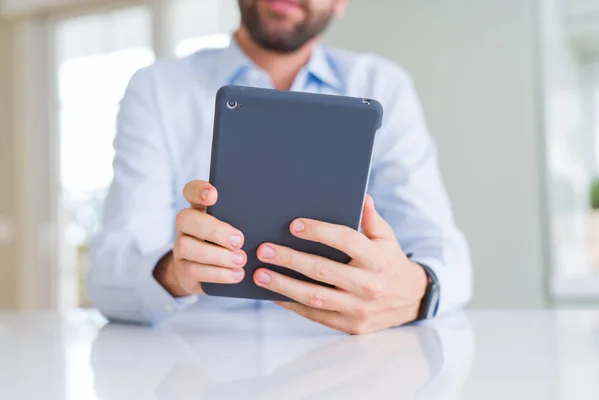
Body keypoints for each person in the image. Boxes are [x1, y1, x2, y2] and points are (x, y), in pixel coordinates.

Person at [89, 0, 472, 334]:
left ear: (342, 1)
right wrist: (175, 272)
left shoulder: (383, 85)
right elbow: (109, 279)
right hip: (191, 362)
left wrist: (418, 290)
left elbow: (447, 256)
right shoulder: (157, 88)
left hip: (347, 358)